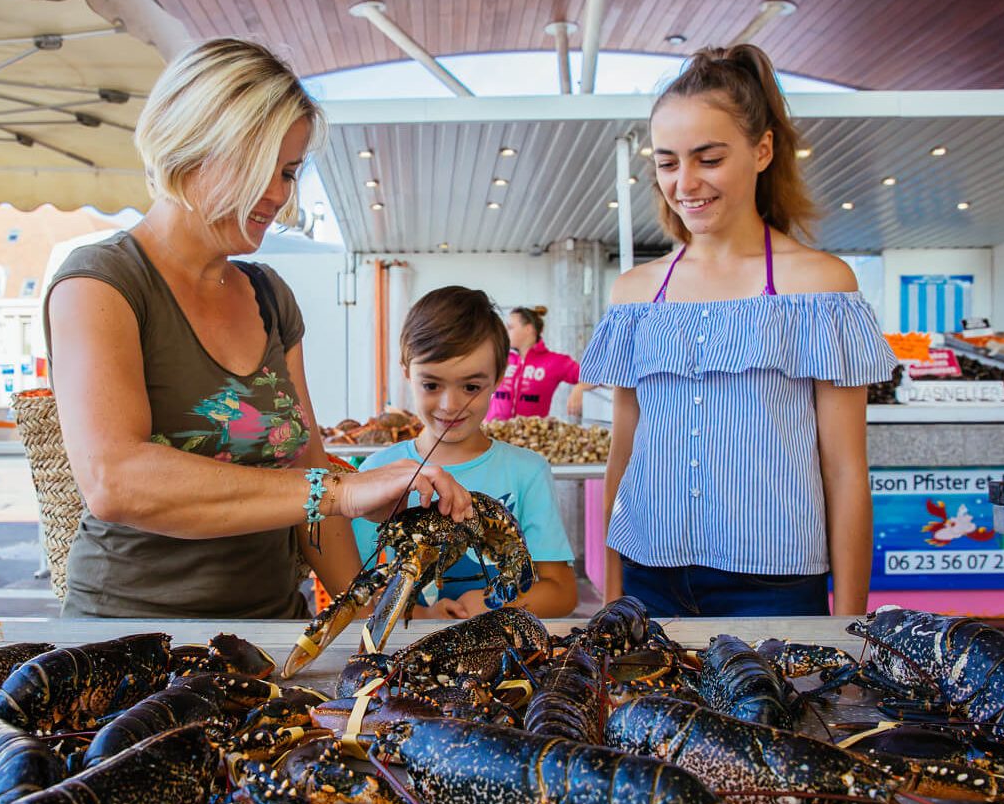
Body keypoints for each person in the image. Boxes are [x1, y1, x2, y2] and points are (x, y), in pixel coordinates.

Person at [45, 38, 471, 619]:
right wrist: (339, 492)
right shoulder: (100, 283)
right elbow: (115, 480)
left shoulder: (270, 296)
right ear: (189, 146)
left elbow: (307, 472)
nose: (277, 194)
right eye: (256, 166)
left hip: (271, 627)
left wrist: (369, 619)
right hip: (132, 638)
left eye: (289, 172)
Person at [581, 44, 896, 618]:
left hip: (773, 588)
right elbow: (621, 455)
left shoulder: (820, 286)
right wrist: (611, 593)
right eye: (669, 161)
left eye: (708, 157)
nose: (686, 182)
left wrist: (850, 627)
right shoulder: (635, 293)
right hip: (648, 579)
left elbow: (846, 471)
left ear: (763, 149)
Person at [353, 287, 579, 620]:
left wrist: (494, 604)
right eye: (431, 385)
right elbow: (355, 588)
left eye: (471, 386)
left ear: (498, 377)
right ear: (406, 371)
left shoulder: (528, 472)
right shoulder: (377, 472)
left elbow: (561, 590)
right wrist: (418, 615)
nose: (450, 405)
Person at [487, 306, 594, 420]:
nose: (505, 332)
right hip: (491, 433)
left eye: (510, 327)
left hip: (531, 435)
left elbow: (595, 375)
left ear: (528, 329)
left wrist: (580, 388)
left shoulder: (554, 362)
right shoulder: (500, 358)